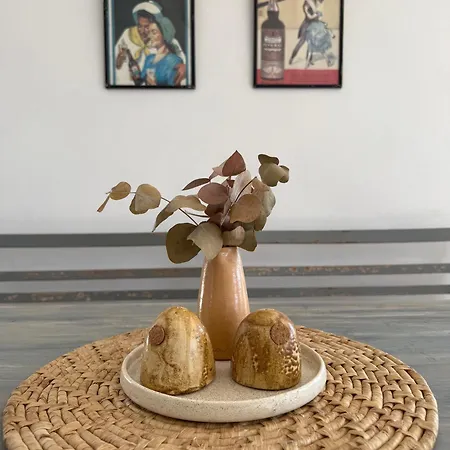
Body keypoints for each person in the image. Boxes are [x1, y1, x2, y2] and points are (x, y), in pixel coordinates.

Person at [115, 1, 186, 86]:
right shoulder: (128, 34)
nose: (142, 31)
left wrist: (186, 67)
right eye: (139, 26)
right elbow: (114, 64)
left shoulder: (168, 40)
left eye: (146, 27)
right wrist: (119, 60)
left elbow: (182, 63)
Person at [289, 0, 335, 68]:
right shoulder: (306, 6)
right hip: (306, 26)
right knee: (301, 43)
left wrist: (319, 18)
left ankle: (309, 60)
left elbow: (317, 15)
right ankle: (292, 57)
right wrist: (315, 15)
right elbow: (309, 17)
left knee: (311, 43)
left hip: (313, 26)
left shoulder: (314, 3)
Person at [140, 16, 184, 86]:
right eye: (149, 32)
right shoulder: (149, 58)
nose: (149, 36)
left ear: (165, 35)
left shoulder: (174, 61)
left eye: (154, 32)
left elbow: (174, 90)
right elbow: (140, 80)